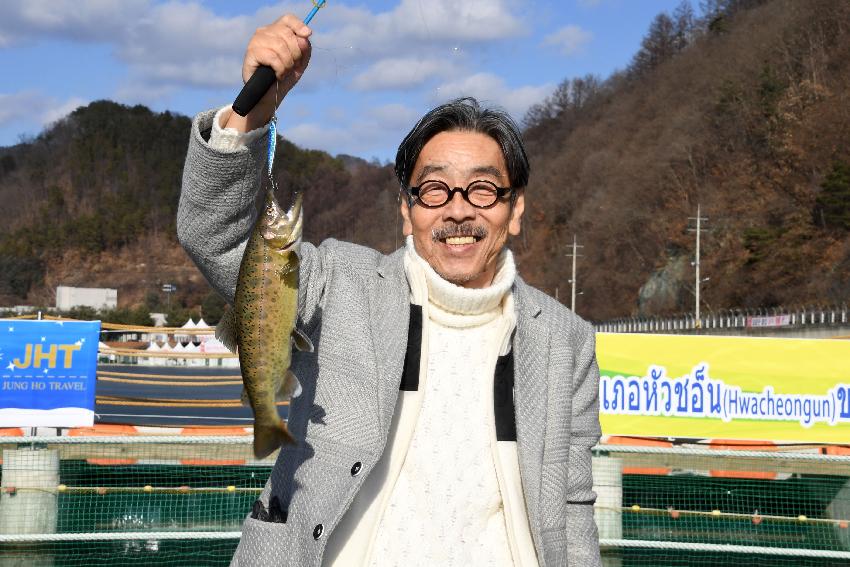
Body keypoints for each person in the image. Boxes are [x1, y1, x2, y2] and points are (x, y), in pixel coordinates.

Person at [177, 14, 601, 567]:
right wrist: (254, 110)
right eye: (433, 189)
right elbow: (217, 234)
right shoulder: (339, 285)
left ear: (514, 210)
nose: (457, 209)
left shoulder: (568, 343)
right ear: (406, 210)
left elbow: (570, 510)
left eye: (482, 189)